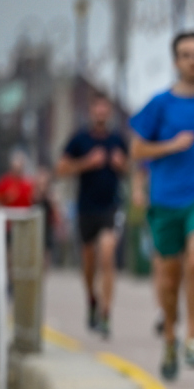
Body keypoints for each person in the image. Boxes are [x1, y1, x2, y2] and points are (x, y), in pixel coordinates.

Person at [129, 31, 194, 381]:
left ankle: (193, 336)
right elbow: (137, 151)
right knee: (169, 281)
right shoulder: (159, 104)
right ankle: (170, 336)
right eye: (185, 55)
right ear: (175, 61)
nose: (193, 61)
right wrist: (170, 146)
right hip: (166, 198)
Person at [58, 95, 129, 337]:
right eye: (96, 107)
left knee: (107, 255)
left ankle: (107, 313)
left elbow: (133, 168)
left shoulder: (117, 139)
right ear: (90, 111)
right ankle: (91, 299)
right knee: (88, 262)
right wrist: (86, 163)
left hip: (111, 207)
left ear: (108, 112)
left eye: (104, 108)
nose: (100, 112)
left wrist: (122, 165)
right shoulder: (80, 139)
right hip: (86, 208)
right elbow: (61, 168)